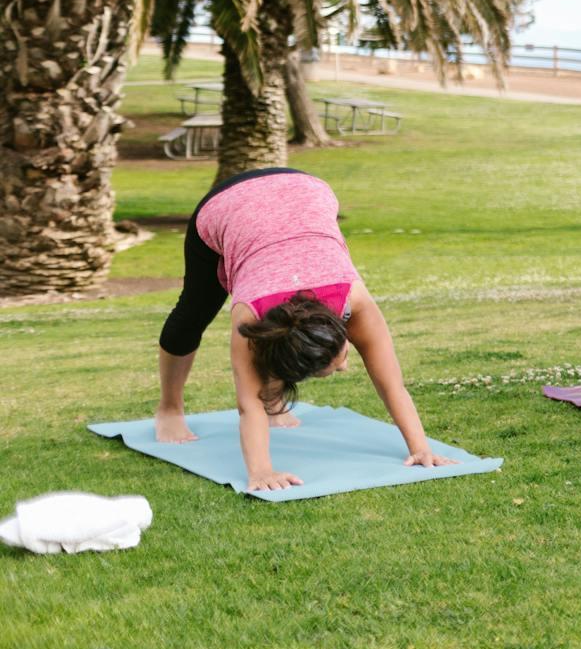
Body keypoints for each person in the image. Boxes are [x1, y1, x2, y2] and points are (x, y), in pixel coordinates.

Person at [152, 168, 460, 493]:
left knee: (306, 349)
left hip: (304, 190)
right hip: (228, 205)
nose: (344, 367)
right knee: (193, 313)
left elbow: (392, 384)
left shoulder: (354, 299)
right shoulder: (250, 315)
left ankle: (280, 402)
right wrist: (260, 471)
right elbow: (248, 404)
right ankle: (169, 409)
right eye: (338, 364)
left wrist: (420, 447)